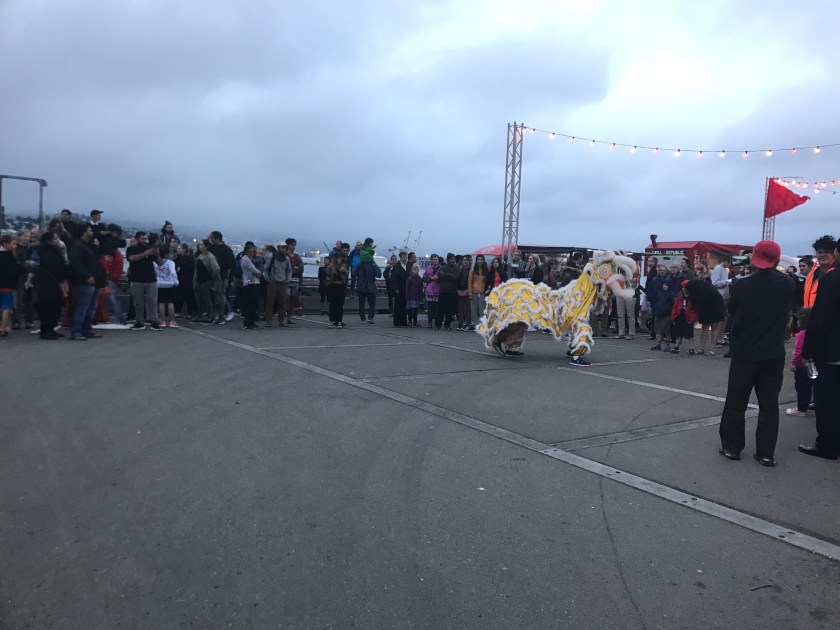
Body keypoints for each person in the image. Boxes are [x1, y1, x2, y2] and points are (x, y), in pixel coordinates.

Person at [718, 240, 794, 467]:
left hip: (745, 351)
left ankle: (732, 447)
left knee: (736, 402)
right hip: (773, 351)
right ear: (777, 260)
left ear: (754, 259)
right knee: (769, 404)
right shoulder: (787, 284)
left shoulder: (741, 286)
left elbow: (732, 309)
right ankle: (766, 453)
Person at [799, 240, 840, 460]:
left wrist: (807, 351)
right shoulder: (820, 276)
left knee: (827, 401)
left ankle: (827, 445)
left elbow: (821, 318)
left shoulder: (831, 279)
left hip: (831, 350)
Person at [68, 226, 107, 341]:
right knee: (83, 306)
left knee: (91, 307)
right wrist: (87, 275)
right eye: (89, 230)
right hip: (85, 280)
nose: (92, 232)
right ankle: (76, 331)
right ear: (84, 232)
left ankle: (87, 329)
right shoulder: (77, 245)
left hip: (96, 280)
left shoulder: (89, 245)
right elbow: (76, 262)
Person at [33, 232, 68, 340]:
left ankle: (51, 329)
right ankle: (45, 331)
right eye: (55, 239)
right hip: (45, 283)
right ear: (48, 241)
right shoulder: (42, 252)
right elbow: (52, 266)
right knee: (46, 307)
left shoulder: (56, 251)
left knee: (54, 306)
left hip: (54, 282)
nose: (57, 241)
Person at [126, 231, 161, 331]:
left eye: (146, 239)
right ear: (137, 239)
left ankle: (154, 321)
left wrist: (157, 255)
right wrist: (145, 254)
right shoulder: (131, 249)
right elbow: (132, 258)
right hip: (137, 279)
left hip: (151, 279)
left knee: (153, 302)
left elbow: (160, 263)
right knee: (138, 303)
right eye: (143, 239)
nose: (145, 241)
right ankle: (139, 321)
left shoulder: (150, 249)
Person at [685, 278, 726, 356]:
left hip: (713, 308)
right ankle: (709, 349)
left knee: (707, 328)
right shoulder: (706, 288)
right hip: (713, 307)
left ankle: (704, 348)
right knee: (713, 328)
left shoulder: (698, 291)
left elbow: (696, 304)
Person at [786, 308, 813, 417]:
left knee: (802, 388)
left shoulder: (802, 335)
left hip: (802, 365)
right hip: (814, 364)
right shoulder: (816, 333)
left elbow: (798, 351)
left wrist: (795, 363)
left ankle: (801, 409)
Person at [207, 231, 236, 323]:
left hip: (222, 275)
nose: (211, 240)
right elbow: (205, 243)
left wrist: (221, 267)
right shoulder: (212, 248)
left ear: (217, 238)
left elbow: (232, 262)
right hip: (213, 275)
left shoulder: (226, 249)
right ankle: (218, 314)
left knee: (221, 295)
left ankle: (223, 314)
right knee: (215, 295)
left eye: (212, 238)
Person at [263, 242, 292, 327]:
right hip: (272, 282)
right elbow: (266, 269)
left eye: (285, 248)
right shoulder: (271, 257)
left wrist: (287, 279)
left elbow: (289, 270)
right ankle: (268, 321)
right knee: (270, 303)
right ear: (278, 248)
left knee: (282, 304)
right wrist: (268, 279)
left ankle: (282, 321)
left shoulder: (286, 258)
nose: (284, 249)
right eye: (282, 247)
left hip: (283, 283)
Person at [803, 235, 835, 308]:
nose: (823, 255)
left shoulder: (836, 274)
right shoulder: (811, 274)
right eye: (820, 252)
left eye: (827, 252)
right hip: (809, 314)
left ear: (834, 254)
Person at [194, 240, 220, 325]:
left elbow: (216, 269)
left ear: (206, 246)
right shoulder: (200, 256)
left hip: (206, 280)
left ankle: (210, 316)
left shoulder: (210, 256)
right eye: (199, 245)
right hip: (199, 280)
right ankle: (200, 316)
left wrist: (211, 278)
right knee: (199, 298)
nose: (200, 246)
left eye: (202, 245)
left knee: (207, 299)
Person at [356, 241, 381, 324]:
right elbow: (379, 274)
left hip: (360, 286)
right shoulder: (373, 264)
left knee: (361, 304)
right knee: (372, 303)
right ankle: (370, 317)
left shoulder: (360, 264)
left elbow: (353, 273)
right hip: (371, 286)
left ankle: (362, 318)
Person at [669, 280, 697, 354]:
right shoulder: (679, 296)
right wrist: (673, 316)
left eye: (685, 287)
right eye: (682, 287)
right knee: (679, 332)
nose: (683, 289)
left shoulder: (693, 298)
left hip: (688, 317)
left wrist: (692, 318)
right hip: (680, 315)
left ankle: (691, 348)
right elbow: (675, 307)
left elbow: (694, 310)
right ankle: (677, 346)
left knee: (689, 333)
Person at [239, 244, 263, 329]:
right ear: (246, 252)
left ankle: (251, 322)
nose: (252, 253)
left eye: (253, 252)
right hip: (250, 283)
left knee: (253, 304)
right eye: (250, 252)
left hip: (251, 282)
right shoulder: (246, 259)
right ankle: (248, 322)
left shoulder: (247, 259)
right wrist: (260, 273)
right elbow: (255, 270)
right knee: (251, 304)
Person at [155, 246, 179, 328]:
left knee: (161, 303)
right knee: (170, 303)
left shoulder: (155, 262)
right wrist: (176, 281)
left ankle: (162, 321)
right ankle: (172, 321)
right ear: (166, 254)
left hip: (159, 284)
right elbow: (173, 272)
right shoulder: (170, 263)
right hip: (169, 284)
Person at [649, 275, 675, 352]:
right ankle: (658, 343)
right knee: (658, 330)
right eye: (664, 285)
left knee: (667, 330)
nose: (664, 286)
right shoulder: (659, 293)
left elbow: (673, 305)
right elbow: (655, 302)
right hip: (658, 313)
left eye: (666, 285)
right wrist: (654, 309)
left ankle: (668, 344)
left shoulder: (671, 294)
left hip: (666, 314)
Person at [0, 235, 18, 337]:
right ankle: (4, 328)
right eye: (13, 243)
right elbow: (14, 271)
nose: (15, 246)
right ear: (6, 244)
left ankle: (1, 326)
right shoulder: (9, 256)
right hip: (8, 285)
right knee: (6, 307)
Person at [437, 253, 459, 331]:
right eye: (451, 259)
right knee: (440, 309)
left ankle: (447, 325)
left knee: (450, 310)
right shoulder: (442, 267)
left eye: (453, 259)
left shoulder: (456, 268)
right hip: (443, 291)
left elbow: (456, 277)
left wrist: (445, 275)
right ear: (448, 260)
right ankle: (438, 324)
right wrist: (450, 275)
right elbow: (440, 276)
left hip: (452, 292)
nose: (452, 260)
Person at [325, 252, 348, 328]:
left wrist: (341, 272)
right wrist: (334, 272)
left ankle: (339, 321)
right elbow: (328, 277)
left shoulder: (344, 267)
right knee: (332, 304)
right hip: (332, 286)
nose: (339, 260)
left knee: (340, 304)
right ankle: (332, 320)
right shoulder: (330, 267)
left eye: (341, 259)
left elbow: (344, 278)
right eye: (338, 258)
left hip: (341, 287)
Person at [175, 243, 196, 319]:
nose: (177, 250)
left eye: (179, 248)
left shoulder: (190, 259)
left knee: (189, 296)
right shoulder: (178, 258)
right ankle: (178, 311)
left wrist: (181, 269)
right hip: (180, 280)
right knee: (180, 296)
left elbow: (192, 269)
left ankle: (190, 312)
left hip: (188, 280)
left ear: (184, 249)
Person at [285, 238, 304, 320]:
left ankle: (289, 317)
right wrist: (294, 268)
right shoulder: (285, 256)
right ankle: (284, 315)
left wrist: (294, 269)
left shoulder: (297, 257)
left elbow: (301, 269)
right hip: (286, 280)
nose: (293, 247)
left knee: (293, 298)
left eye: (294, 245)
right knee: (286, 298)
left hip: (295, 280)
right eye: (291, 245)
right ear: (287, 246)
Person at [468, 254, 488, 331]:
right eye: (478, 260)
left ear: (483, 261)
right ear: (476, 261)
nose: (480, 261)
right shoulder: (473, 270)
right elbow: (469, 282)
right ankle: (474, 324)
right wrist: (470, 293)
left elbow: (488, 281)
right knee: (473, 310)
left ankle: (481, 324)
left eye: (481, 260)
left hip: (483, 292)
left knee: (482, 310)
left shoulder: (486, 270)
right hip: (474, 292)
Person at [422, 254, 441, 328]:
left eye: (436, 259)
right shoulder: (428, 268)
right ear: (431, 260)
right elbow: (424, 278)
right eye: (434, 259)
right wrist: (431, 278)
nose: (435, 260)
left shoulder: (441, 268)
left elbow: (442, 278)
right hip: (429, 290)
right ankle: (429, 323)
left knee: (437, 308)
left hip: (437, 290)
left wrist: (438, 278)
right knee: (430, 308)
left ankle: (436, 323)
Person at [390, 251, 409, 326]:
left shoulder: (408, 266)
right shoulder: (396, 267)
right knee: (398, 305)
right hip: (399, 288)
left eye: (406, 257)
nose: (405, 258)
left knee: (405, 305)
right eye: (404, 257)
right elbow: (393, 279)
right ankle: (397, 322)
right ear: (400, 258)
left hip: (406, 288)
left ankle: (404, 321)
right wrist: (395, 288)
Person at [456, 254, 472, 330]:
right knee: (460, 308)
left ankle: (468, 323)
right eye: (464, 260)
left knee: (468, 308)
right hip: (459, 290)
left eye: (466, 260)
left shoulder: (471, 270)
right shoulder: (459, 270)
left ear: (469, 261)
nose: (465, 261)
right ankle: (460, 323)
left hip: (468, 290)